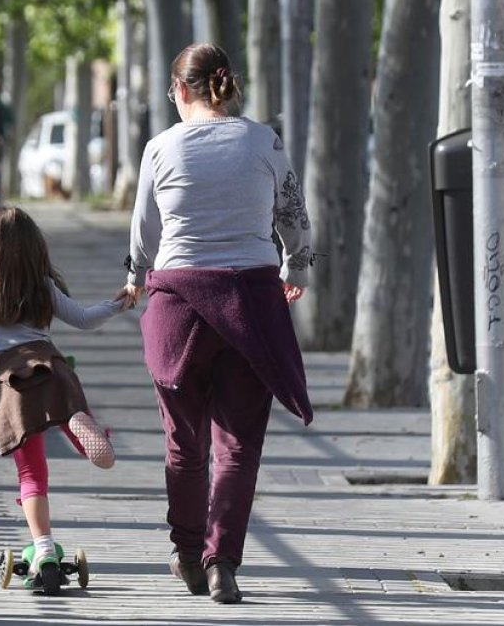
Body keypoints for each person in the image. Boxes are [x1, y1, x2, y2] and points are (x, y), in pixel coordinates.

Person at [122, 43, 314, 605]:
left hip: (178, 304)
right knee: (238, 444)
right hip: (251, 300)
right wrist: (295, 265)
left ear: (182, 90)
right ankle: (222, 562)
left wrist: (135, 279)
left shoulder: (160, 148)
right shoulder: (264, 141)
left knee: (184, 443)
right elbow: (294, 214)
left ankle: (185, 552)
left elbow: (144, 232)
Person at [0, 206, 127, 595]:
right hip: (52, 367)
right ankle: (87, 433)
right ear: (34, 249)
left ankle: (43, 548)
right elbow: (84, 318)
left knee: (32, 475)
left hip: (13, 381)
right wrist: (119, 303)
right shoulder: (41, 284)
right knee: (68, 410)